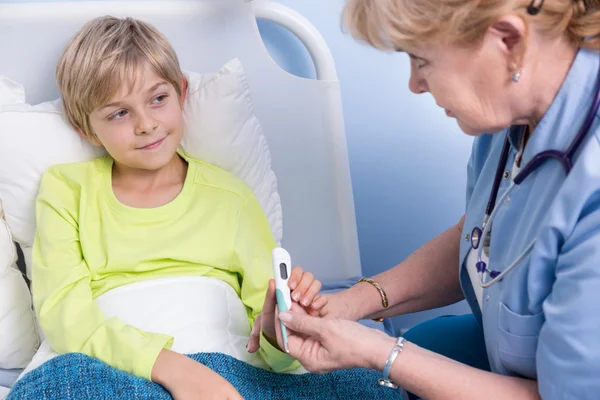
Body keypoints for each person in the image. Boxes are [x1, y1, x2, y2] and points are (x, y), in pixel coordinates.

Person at [269, 0, 600, 399]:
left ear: (508, 41)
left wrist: (381, 353)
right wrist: (348, 304)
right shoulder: (507, 112)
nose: (415, 83)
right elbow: (483, 235)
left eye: (421, 60)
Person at [26, 15, 324, 399]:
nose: (146, 124)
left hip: (225, 365)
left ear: (181, 93)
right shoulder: (66, 190)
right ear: (84, 126)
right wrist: (173, 369)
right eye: (119, 113)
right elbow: (65, 315)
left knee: (363, 384)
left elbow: (272, 347)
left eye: (158, 99)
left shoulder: (231, 197)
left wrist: (280, 331)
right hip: (111, 369)